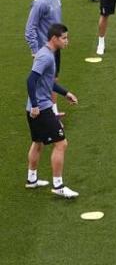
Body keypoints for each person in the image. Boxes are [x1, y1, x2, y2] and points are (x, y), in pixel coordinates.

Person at [25, 23, 79, 198]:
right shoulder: (46, 57)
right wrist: (35, 105)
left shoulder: (48, 54)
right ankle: (58, 185)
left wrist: (65, 93)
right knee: (61, 143)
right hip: (40, 108)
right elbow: (31, 81)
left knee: (38, 142)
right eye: (64, 38)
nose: (67, 41)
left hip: (35, 107)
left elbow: (47, 81)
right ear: (54, 39)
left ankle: (32, 180)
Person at [25, 0, 65, 117]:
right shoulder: (40, 2)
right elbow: (30, 28)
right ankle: (36, 110)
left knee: (53, 79)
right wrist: (35, 51)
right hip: (44, 49)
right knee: (41, 82)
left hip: (55, 46)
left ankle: (53, 111)